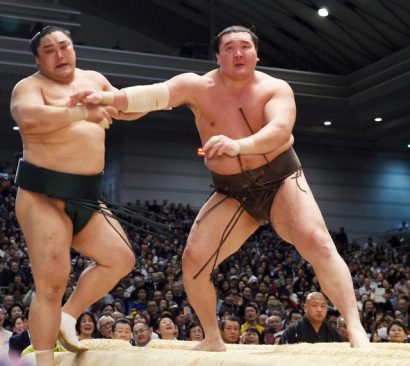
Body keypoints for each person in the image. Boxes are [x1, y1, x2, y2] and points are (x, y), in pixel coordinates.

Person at [74, 25, 370, 351]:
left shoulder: (276, 88)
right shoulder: (196, 86)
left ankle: (355, 328)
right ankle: (212, 337)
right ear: (217, 56)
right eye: (229, 47)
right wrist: (106, 97)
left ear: (257, 54)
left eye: (245, 46)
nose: (238, 52)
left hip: (282, 180)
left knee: (320, 244)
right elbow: (152, 95)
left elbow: (280, 131)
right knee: (194, 261)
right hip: (232, 191)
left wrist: (238, 145)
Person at [10, 25, 141, 365]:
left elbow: (127, 109)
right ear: (38, 59)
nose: (60, 54)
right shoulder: (29, 87)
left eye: (64, 46)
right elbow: (28, 119)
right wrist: (82, 112)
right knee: (52, 282)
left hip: (87, 196)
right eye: (50, 50)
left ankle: (68, 316)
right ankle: (43, 359)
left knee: (121, 259)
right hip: (43, 196)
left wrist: (161, 97)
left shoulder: (94, 79)